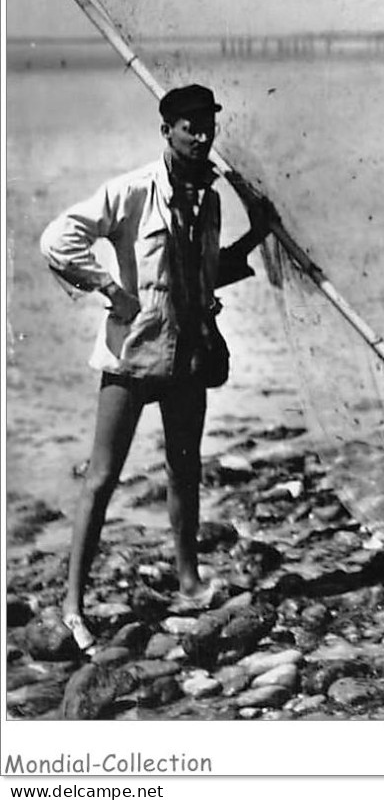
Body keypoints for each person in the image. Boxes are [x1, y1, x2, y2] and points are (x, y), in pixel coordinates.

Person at [40, 83, 276, 652]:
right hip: (133, 355)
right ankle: (73, 606)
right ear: (166, 129)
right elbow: (57, 239)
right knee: (101, 478)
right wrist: (106, 287)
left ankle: (189, 579)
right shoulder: (133, 191)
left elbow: (203, 275)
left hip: (189, 355)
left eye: (207, 125)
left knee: (184, 467)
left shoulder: (209, 199)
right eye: (189, 125)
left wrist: (256, 235)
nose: (201, 135)